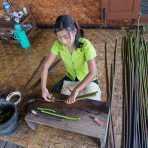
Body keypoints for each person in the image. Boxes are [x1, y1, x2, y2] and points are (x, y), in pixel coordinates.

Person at [41, 15, 101, 104]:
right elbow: (45, 66)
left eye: (66, 36)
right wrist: (43, 88)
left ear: (74, 32)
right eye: (59, 37)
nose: (63, 41)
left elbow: (93, 72)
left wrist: (76, 90)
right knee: (59, 97)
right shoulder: (57, 44)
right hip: (71, 78)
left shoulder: (85, 45)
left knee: (92, 101)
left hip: (87, 79)